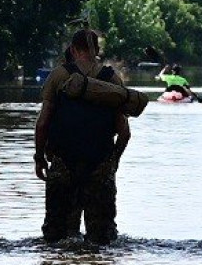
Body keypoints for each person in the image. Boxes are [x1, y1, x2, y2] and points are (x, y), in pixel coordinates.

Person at [34, 28, 130, 245]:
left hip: (63, 163)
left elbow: (42, 123)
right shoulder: (112, 79)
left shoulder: (59, 75)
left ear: (73, 50)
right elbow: (124, 132)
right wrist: (113, 161)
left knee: (56, 238)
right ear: (97, 50)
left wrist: (39, 157)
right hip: (100, 164)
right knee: (103, 239)